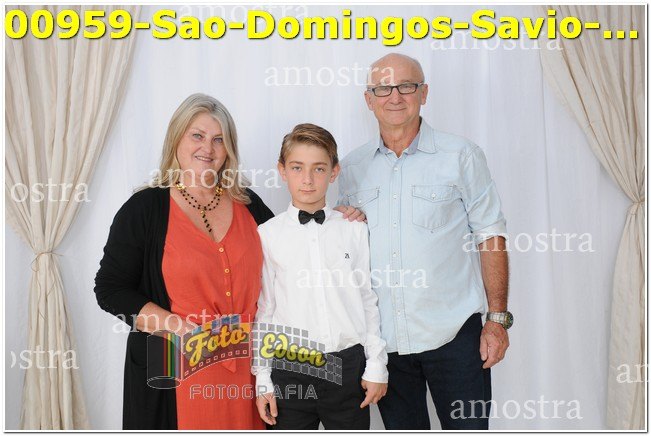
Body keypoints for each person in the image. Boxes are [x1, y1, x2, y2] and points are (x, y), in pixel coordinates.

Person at [94, 94, 365, 430]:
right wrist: (180, 328)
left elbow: (295, 252)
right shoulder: (144, 209)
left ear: (229, 149)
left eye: (218, 139)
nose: (207, 148)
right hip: (176, 373)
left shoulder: (249, 204)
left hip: (250, 374)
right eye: (197, 135)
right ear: (176, 139)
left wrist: (338, 222)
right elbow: (110, 290)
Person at [337, 53, 512, 430]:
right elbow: (347, 249)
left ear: (424, 93)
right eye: (383, 88)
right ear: (369, 99)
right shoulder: (351, 169)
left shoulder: (461, 155)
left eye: (406, 86)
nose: (394, 96)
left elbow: (490, 235)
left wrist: (497, 319)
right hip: (386, 344)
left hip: (455, 336)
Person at [252, 123, 388, 430]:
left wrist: (376, 364)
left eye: (319, 168)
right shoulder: (267, 234)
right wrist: (263, 379)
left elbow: (367, 299)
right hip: (290, 370)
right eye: (297, 168)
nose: (308, 179)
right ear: (282, 170)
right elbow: (266, 310)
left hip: (347, 367)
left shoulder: (354, 228)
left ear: (334, 172)